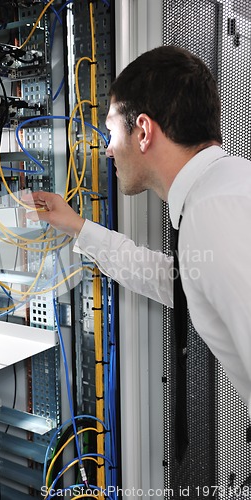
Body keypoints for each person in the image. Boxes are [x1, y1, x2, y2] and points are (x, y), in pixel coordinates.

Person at [23, 45, 251, 413]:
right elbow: (177, 280)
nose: (109, 151)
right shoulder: (222, 190)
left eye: (111, 131)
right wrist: (78, 227)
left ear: (143, 131)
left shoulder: (214, 214)